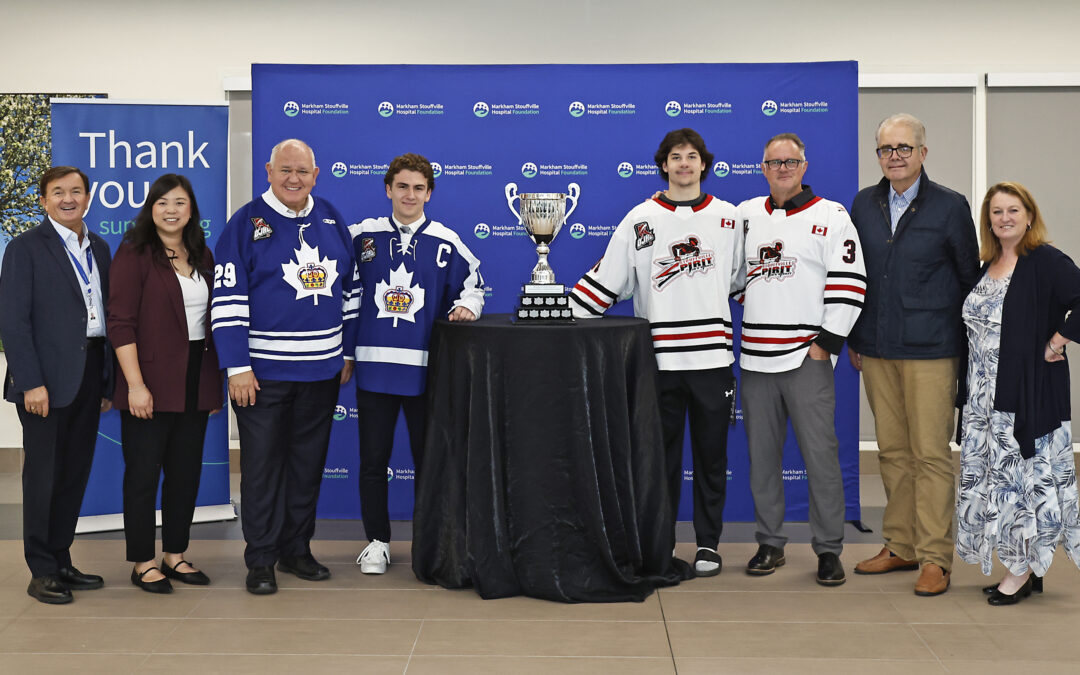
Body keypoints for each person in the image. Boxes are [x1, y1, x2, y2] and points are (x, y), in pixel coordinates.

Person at [570, 128, 742, 577]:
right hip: (659, 364)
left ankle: (708, 545)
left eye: (691, 157)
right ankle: (658, 543)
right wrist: (554, 315)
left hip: (712, 363)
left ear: (704, 164)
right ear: (663, 165)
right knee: (658, 462)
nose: (684, 164)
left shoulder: (729, 218)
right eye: (675, 157)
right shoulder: (640, 219)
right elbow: (608, 281)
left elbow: (745, 282)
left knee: (712, 459)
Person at [211, 139, 358, 595]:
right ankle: (261, 560)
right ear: (269, 171)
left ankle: (297, 550)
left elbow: (350, 293)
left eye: (303, 171)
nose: (294, 179)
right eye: (285, 170)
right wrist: (236, 367)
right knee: (261, 470)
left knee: (306, 467)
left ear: (317, 174)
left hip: (321, 374)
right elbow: (227, 300)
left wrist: (346, 352)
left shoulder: (332, 218)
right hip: (262, 377)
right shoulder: (244, 224)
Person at [848, 113, 980, 596]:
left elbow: (969, 278)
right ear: (878, 155)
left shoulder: (950, 206)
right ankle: (900, 545)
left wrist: (969, 349)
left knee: (929, 455)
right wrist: (855, 338)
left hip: (932, 351)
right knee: (893, 454)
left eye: (904, 148)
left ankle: (935, 558)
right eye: (886, 149)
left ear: (923, 153)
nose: (895, 157)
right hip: (877, 349)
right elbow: (854, 277)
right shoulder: (862, 204)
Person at [736, 133, 865, 586]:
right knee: (762, 459)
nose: (783, 168)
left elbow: (851, 283)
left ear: (804, 166)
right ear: (763, 168)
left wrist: (825, 344)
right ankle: (770, 543)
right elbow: (734, 278)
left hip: (806, 358)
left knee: (821, 458)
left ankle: (829, 550)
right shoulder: (746, 215)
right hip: (754, 361)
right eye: (774, 162)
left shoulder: (831, 216)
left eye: (791, 161)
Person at [350, 153, 484, 574]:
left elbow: (474, 285)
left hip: (426, 372)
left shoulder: (446, 241)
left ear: (430, 193)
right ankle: (377, 541)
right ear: (388, 189)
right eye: (402, 186)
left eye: (418, 188)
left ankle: (432, 540)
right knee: (373, 460)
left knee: (429, 460)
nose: (410, 195)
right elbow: (337, 288)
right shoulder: (359, 236)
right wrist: (342, 352)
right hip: (373, 369)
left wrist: (466, 305)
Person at [955, 182, 1080, 605]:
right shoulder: (985, 264)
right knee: (998, 484)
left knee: (1021, 484)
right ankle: (1021, 562)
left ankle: (1021, 570)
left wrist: (1056, 342)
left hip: (1024, 396)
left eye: (1013, 210)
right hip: (983, 401)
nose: (1004, 218)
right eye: (996, 212)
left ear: (1029, 215)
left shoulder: (1044, 261)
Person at [0, 166, 113, 604]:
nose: (68, 199)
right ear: (44, 200)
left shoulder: (99, 247)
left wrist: (106, 381)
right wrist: (31, 382)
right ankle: (41, 569)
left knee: (73, 474)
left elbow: (103, 317)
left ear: (88, 197)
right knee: (44, 477)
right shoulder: (25, 248)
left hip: (88, 374)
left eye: (76, 191)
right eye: (58, 192)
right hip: (43, 382)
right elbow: (13, 320)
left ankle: (62, 558)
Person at [107, 174, 223, 594]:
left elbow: (213, 324)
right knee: (142, 474)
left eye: (179, 202)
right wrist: (135, 385)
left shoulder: (203, 253)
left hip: (197, 377)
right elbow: (120, 323)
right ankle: (143, 561)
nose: (171, 209)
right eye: (162, 202)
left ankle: (175, 554)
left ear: (191, 209)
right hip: (149, 380)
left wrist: (212, 384)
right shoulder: (134, 252)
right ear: (150, 208)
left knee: (185, 473)